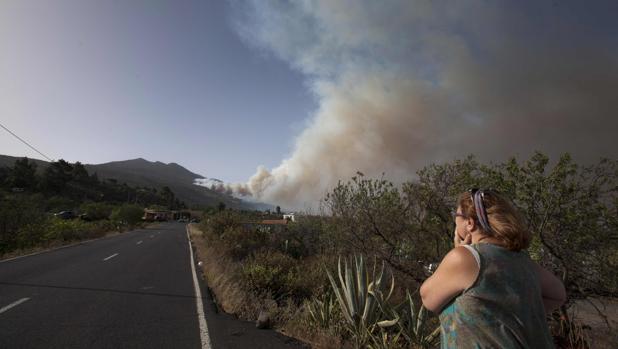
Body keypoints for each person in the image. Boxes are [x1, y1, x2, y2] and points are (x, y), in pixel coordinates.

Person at [420, 189, 566, 348]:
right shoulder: (523, 261)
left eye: (456, 216)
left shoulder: (464, 257)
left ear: (469, 223)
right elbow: (558, 294)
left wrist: (458, 252)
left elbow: (428, 298)